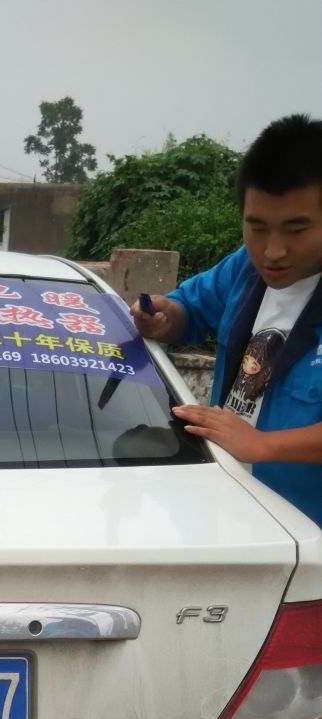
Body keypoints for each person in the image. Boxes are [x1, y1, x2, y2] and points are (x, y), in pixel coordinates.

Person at [130, 114, 322, 528]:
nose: (272, 251)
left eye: (296, 230)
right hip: (230, 510)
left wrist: (263, 445)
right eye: (257, 228)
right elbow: (189, 308)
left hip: (306, 536)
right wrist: (164, 317)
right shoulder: (245, 269)